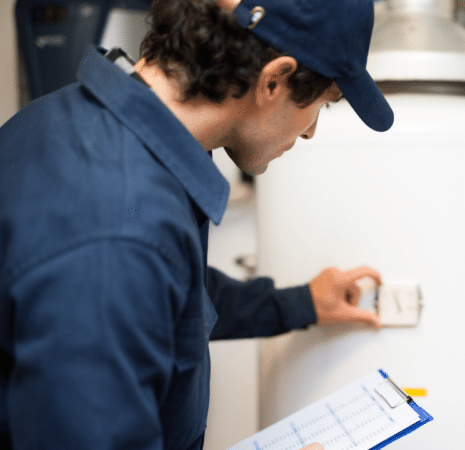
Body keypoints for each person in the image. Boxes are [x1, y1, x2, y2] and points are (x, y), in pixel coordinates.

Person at [0, 0, 393, 448]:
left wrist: (300, 304)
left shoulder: (68, 123)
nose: (309, 132)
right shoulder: (120, 231)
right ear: (274, 81)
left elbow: (168, 297)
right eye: (323, 103)